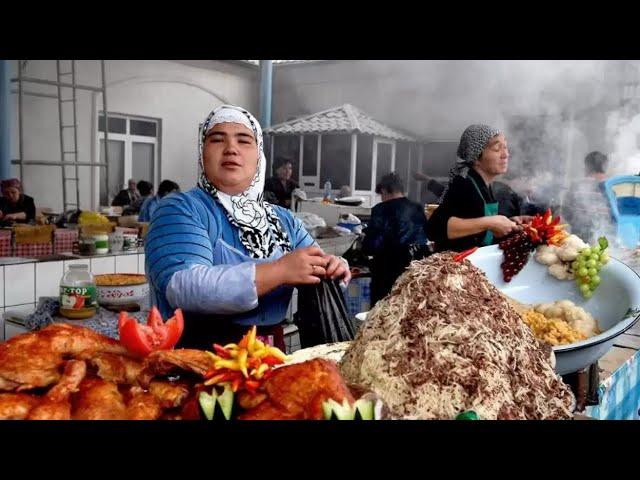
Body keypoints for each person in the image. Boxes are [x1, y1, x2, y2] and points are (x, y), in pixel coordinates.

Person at [145, 105, 350, 350]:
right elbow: (182, 287)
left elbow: (314, 263)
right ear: (202, 154)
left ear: (259, 156)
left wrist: (334, 267)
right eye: (217, 139)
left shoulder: (282, 219)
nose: (231, 149)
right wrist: (279, 270)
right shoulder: (180, 209)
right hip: (196, 357)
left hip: (270, 355)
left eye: (244, 141)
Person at [427, 124, 531, 252]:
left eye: (505, 147)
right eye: (497, 148)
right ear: (476, 156)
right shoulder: (464, 184)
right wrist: (491, 223)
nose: (506, 154)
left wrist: (508, 223)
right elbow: (434, 228)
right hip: (455, 267)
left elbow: (475, 225)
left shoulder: (485, 185)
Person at [362, 172, 428, 305]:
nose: (381, 198)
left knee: (382, 315)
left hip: (387, 274)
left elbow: (371, 246)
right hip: (416, 272)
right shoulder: (418, 208)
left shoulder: (381, 209)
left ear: (385, 190)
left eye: (381, 194)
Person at [562, 151, 614, 242]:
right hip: (605, 240)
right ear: (605, 166)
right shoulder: (611, 187)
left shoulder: (576, 186)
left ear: (587, 166)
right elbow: (614, 216)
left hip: (579, 240)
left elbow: (566, 212)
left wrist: (578, 222)